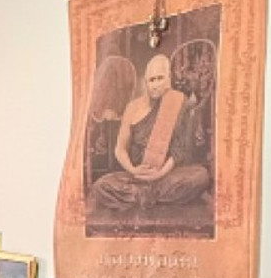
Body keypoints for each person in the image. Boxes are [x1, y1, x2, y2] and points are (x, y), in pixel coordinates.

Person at [90, 52, 209, 217]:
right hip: (136, 176)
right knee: (101, 186)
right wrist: (133, 170)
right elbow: (120, 149)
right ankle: (150, 195)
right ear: (145, 82)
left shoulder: (177, 102)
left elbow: (178, 151)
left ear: (169, 79)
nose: (155, 85)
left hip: (166, 175)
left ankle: (140, 196)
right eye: (151, 80)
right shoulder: (133, 108)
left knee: (201, 176)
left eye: (160, 78)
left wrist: (159, 174)